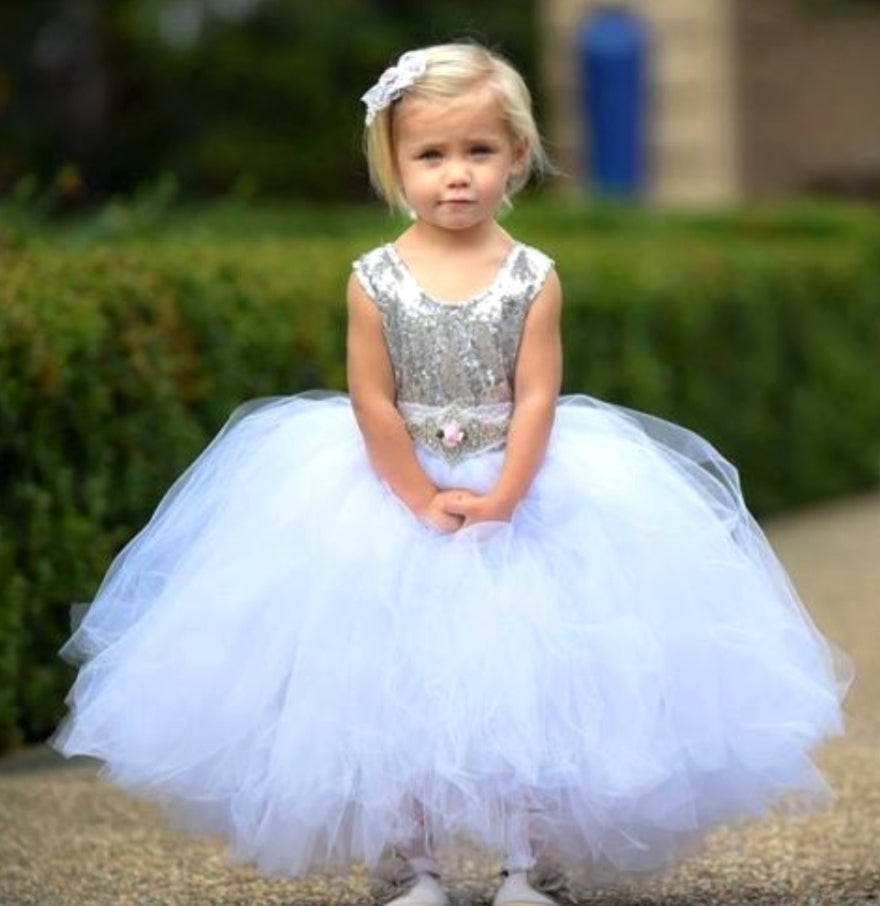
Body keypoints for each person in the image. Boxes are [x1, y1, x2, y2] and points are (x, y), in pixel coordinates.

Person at [52, 42, 850, 906]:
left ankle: (525, 862)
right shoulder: (374, 279)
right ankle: (413, 862)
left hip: (524, 484)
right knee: (395, 689)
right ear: (393, 165)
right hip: (391, 492)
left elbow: (539, 393)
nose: (456, 175)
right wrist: (416, 495)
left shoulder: (533, 276)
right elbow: (372, 398)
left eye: (478, 151)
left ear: (517, 156)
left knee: (532, 689)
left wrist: (505, 494)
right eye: (431, 155)